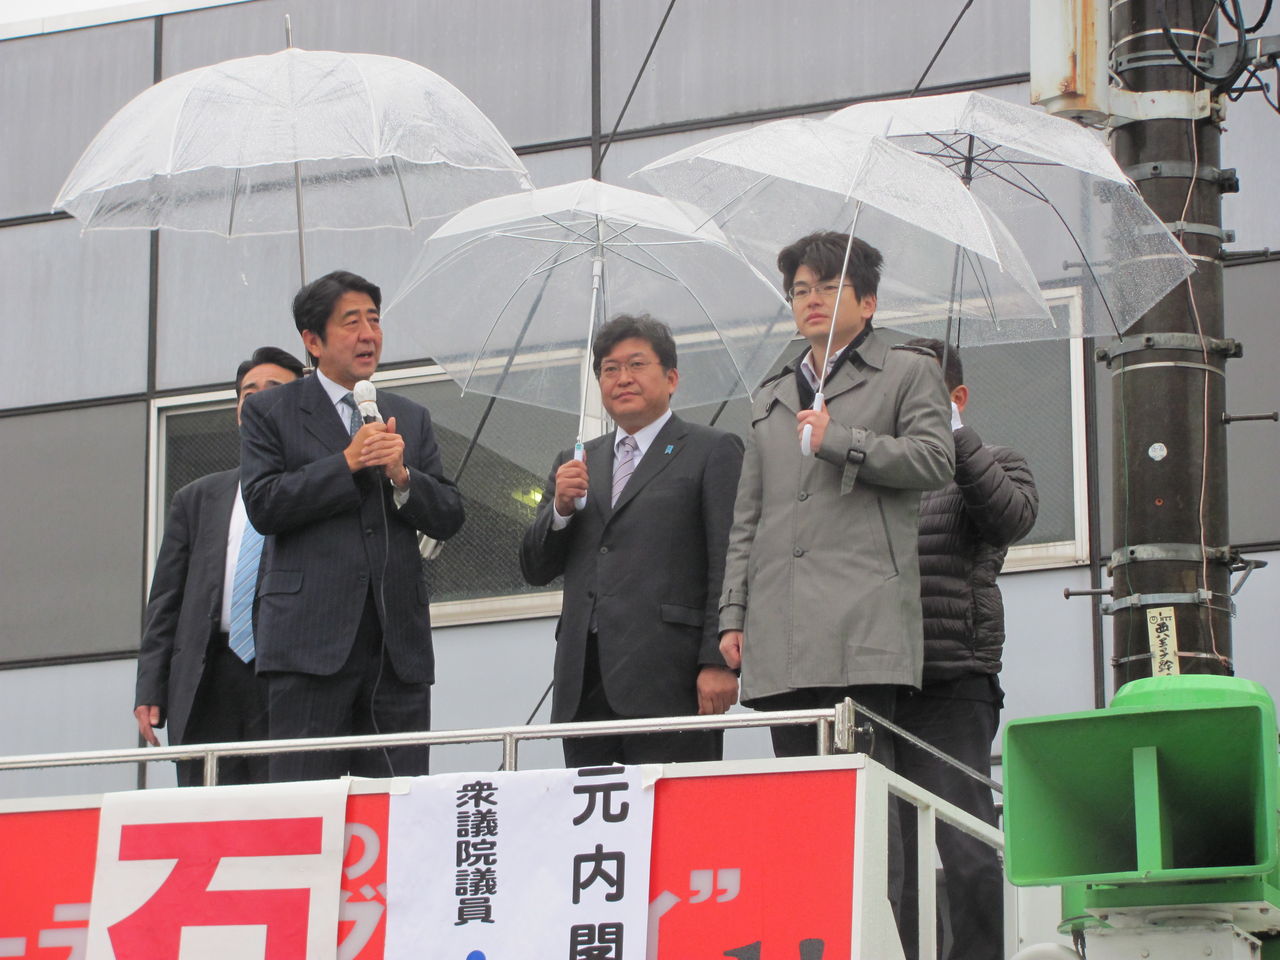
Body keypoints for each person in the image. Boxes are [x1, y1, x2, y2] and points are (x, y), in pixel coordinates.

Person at [718, 231, 954, 760]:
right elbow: (748, 518)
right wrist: (733, 613)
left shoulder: (909, 370)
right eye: (800, 291)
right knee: (799, 794)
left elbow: (936, 460)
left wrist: (842, 441)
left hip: (862, 620)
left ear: (868, 303)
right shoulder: (772, 394)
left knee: (861, 788)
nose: (812, 300)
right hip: (780, 627)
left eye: (828, 287)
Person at [239, 270, 465, 782]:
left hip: (396, 647)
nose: (369, 334)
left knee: (397, 803)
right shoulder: (270, 411)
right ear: (313, 341)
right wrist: (346, 462)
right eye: (352, 322)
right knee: (307, 801)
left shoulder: (408, 416)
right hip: (308, 646)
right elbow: (264, 504)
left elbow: (449, 514)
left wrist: (403, 477)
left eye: (375, 320)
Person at [520, 314, 744, 766]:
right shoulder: (576, 461)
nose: (622, 378)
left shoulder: (711, 450)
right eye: (610, 369)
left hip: (671, 679)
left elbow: (728, 560)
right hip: (584, 678)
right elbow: (535, 567)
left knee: (673, 807)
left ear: (671, 378)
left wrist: (718, 660)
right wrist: (560, 509)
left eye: (636, 365)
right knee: (593, 808)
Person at [896, 337, 1038, 960]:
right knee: (890, 852)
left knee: (966, 843)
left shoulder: (995, 460)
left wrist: (953, 434)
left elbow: (1010, 518)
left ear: (957, 396)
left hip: (954, 678)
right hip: (877, 680)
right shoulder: (878, 468)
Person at [134, 346, 305, 786]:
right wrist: (150, 687)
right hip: (207, 674)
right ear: (238, 411)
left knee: (283, 805)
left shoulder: (317, 488)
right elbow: (166, 601)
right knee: (207, 807)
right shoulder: (196, 498)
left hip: (284, 673)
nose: (258, 399)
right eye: (249, 392)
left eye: (273, 390)